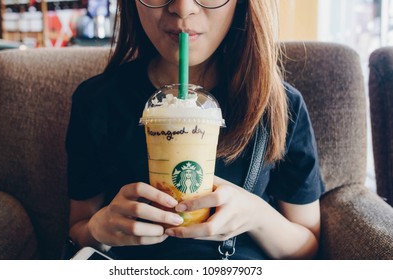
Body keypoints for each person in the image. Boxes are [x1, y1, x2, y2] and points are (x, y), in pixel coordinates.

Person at [66, 0, 325, 260]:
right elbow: (78, 230)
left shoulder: (279, 106)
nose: (182, 8)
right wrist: (97, 229)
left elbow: (307, 248)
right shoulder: (97, 101)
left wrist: (257, 216)